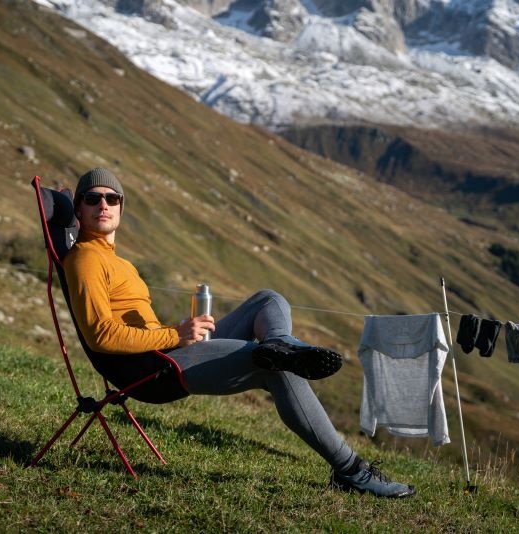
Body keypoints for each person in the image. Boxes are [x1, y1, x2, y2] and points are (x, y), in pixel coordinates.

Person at [62, 167, 415, 498]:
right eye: (93, 199)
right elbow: (100, 336)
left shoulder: (117, 261)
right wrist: (175, 335)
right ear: (79, 209)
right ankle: (351, 471)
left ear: (121, 207)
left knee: (268, 300)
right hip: (156, 369)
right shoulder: (85, 259)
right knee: (275, 367)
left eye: (112, 198)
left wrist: (176, 334)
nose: (103, 205)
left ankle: (281, 344)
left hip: (166, 353)